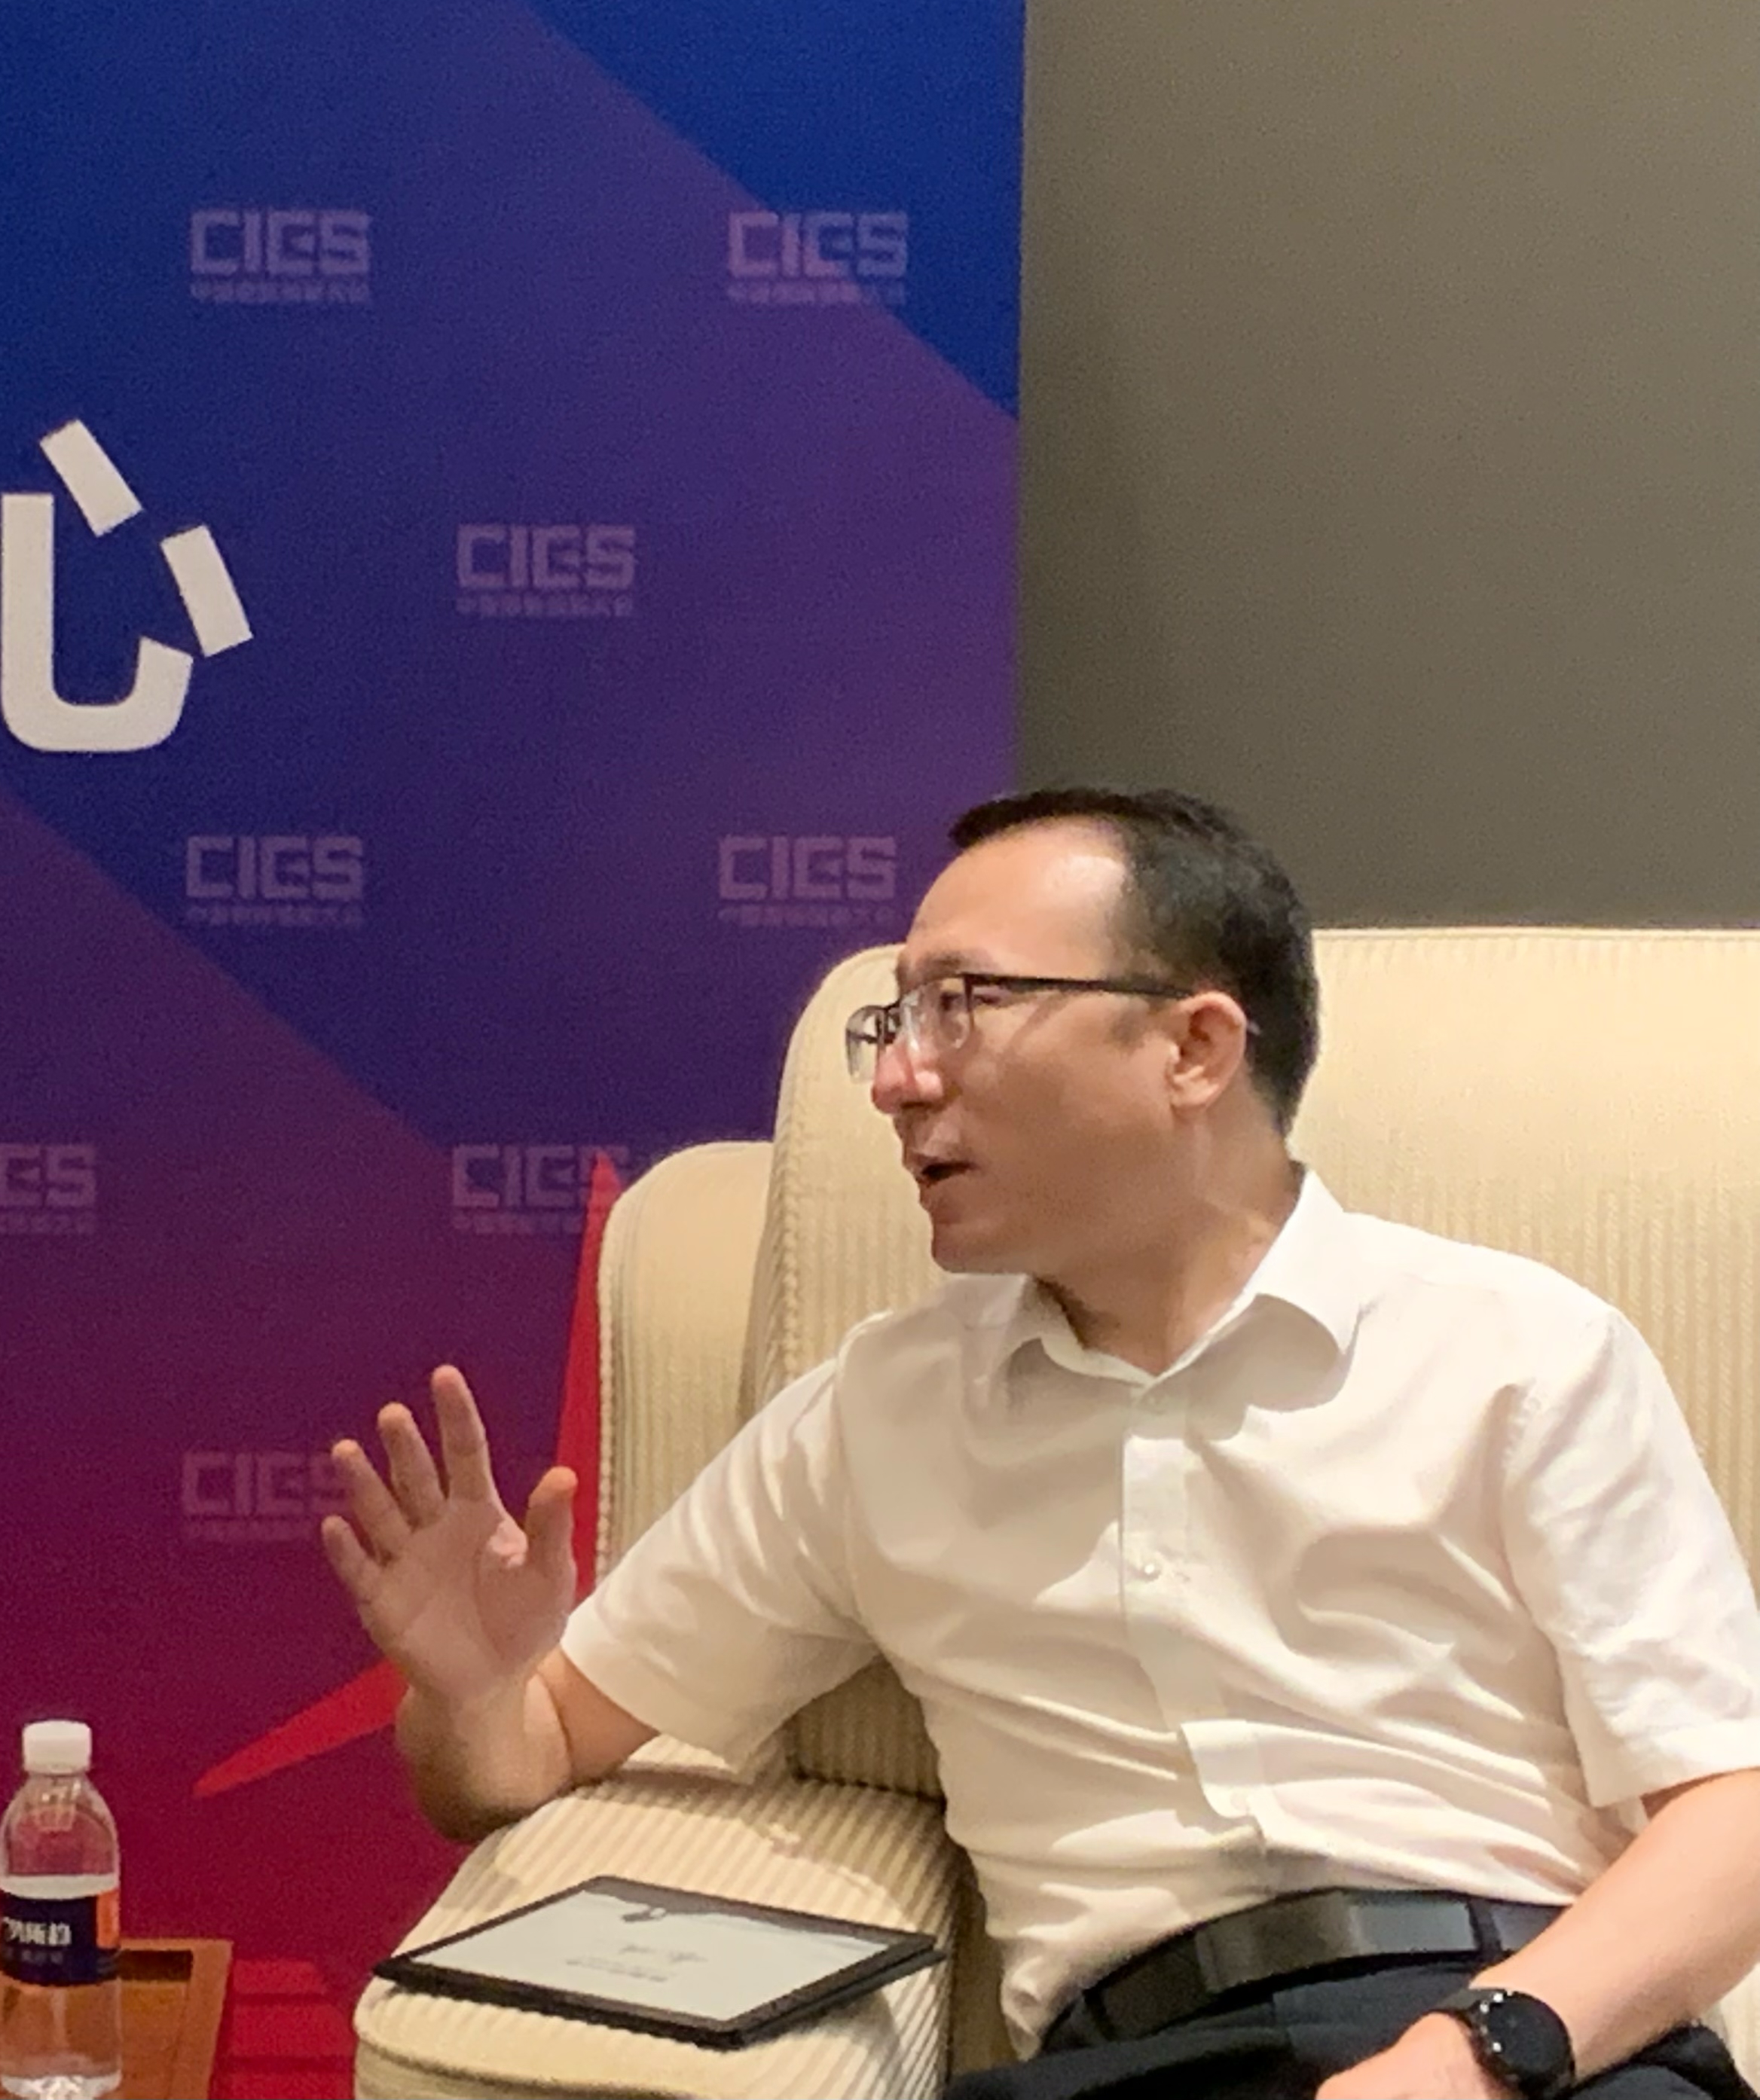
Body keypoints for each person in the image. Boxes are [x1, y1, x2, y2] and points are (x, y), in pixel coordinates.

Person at [324, 788, 1760, 2100]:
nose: (897, 1080)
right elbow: (522, 1758)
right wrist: (469, 1692)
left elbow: (1734, 1807)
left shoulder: (1519, 1351)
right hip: (1125, 2065)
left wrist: (1474, 2058)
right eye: (895, 1021)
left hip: (1530, 2044)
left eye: (964, 1006)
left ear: (1194, 1048)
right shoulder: (875, 1416)